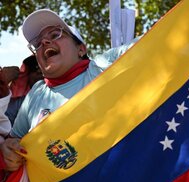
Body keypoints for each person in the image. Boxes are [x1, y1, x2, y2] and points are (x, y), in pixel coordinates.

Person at [0, 9, 136, 172]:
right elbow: (15, 141)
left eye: (55, 34)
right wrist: (9, 150)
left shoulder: (102, 67)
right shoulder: (36, 94)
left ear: (81, 49)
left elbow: (157, 41)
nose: (44, 42)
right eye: (37, 43)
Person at [5, 55, 43, 125]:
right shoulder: (19, 102)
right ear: (27, 75)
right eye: (34, 68)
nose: (39, 71)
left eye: (42, 67)